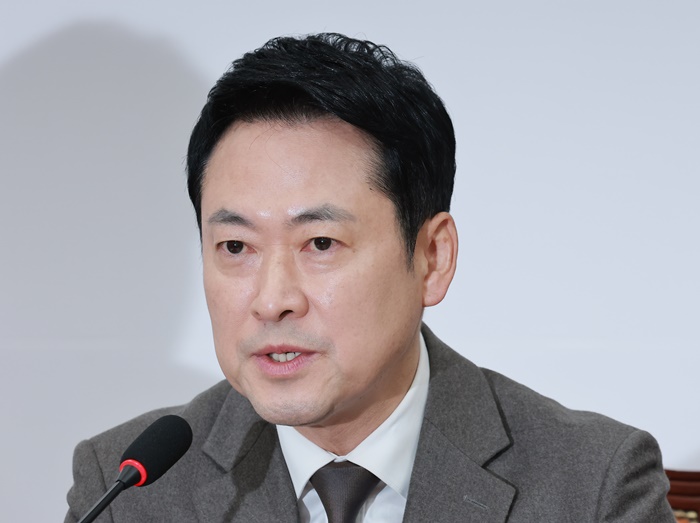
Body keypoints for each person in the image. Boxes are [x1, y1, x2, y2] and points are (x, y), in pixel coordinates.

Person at [65, 33, 675, 522]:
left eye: (320, 243)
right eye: (235, 246)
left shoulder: (591, 485)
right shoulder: (127, 490)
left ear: (432, 257)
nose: (272, 300)